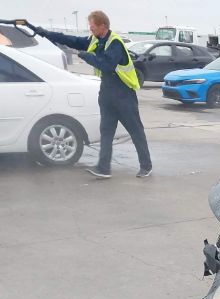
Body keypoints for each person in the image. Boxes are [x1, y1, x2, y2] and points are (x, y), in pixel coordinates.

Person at [33, 11, 152, 179]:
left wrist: (87, 56)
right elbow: (72, 40)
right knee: (106, 131)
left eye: (92, 26)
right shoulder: (95, 39)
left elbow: (107, 65)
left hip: (123, 94)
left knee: (135, 131)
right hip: (107, 92)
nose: (90, 29)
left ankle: (146, 166)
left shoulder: (115, 43)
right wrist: (45, 33)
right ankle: (104, 168)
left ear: (103, 26)